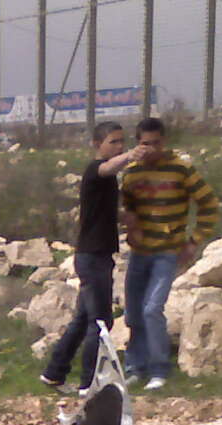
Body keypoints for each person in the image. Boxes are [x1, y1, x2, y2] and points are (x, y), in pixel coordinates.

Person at [40, 122, 149, 394]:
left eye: (121, 142)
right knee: (101, 322)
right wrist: (130, 156)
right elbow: (107, 167)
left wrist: (132, 219)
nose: (119, 147)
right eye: (113, 142)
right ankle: (89, 383)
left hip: (97, 255)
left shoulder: (109, 179)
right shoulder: (95, 170)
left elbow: (106, 212)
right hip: (92, 258)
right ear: (97, 144)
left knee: (82, 320)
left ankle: (54, 373)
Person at [120, 117, 220, 391]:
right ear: (137, 144)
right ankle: (135, 368)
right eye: (144, 144)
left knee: (153, 309)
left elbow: (209, 204)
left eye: (155, 143)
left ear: (164, 142)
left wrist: (194, 241)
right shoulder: (130, 173)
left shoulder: (182, 169)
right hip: (139, 252)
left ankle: (159, 370)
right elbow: (125, 207)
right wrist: (130, 225)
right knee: (133, 313)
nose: (150, 149)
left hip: (166, 252)